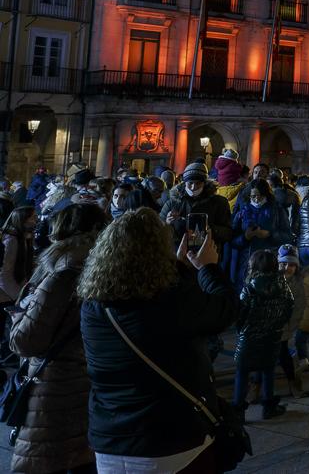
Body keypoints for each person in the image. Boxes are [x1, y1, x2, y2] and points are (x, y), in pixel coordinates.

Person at [78, 208, 238, 470]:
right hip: (169, 439)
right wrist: (208, 268)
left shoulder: (93, 306)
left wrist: (180, 267)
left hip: (110, 437)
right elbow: (225, 310)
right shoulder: (169, 302)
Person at [8, 203, 108, 473]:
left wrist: (18, 319)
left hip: (54, 388)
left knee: (46, 459)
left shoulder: (64, 271)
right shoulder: (105, 268)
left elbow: (26, 341)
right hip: (91, 383)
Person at [232, 248, 293, 419]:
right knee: (268, 371)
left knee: (242, 373)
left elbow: (240, 313)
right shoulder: (283, 286)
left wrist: (241, 330)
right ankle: (268, 407)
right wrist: (278, 325)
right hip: (272, 336)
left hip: (248, 338)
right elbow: (289, 306)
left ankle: (238, 411)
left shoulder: (249, 289)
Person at [228, 178, 294, 287]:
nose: (257, 199)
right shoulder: (242, 212)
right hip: (246, 263)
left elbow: (288, 237)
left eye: (260, 196)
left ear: (266, 194)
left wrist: (269, 235)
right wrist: (245, 237)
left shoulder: (277, 210)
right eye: (253, 196)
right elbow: (232, 240)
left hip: (270, 261)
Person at [161, 161, 234, 248]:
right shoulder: (173, 202)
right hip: (178, 253)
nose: (193, 187)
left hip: (207, 253)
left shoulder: (219, 203)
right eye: (190, 183)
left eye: (198, 183)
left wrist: (210, 229)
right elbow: (158, 229)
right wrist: (167, 223)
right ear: (184, 183)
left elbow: (228, 233)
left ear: (205, 183)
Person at [276, 244, 306, 396]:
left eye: (292, 265)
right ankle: (255, 386)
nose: (288, 267)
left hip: (284, 328)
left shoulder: (297, 285)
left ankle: (293, 383)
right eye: (284, 263)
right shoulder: (272, 280)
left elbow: (298, 309)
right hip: (269, 327)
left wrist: (288, 328)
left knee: (283, 354)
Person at [1, 204, 38, 303]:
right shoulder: (11, 240)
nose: (36, 220)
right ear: (22, 220)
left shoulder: (24, 236)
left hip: (13, 290)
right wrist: (18, 295)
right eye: (33, 217)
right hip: (6, 294)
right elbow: (4, 273)